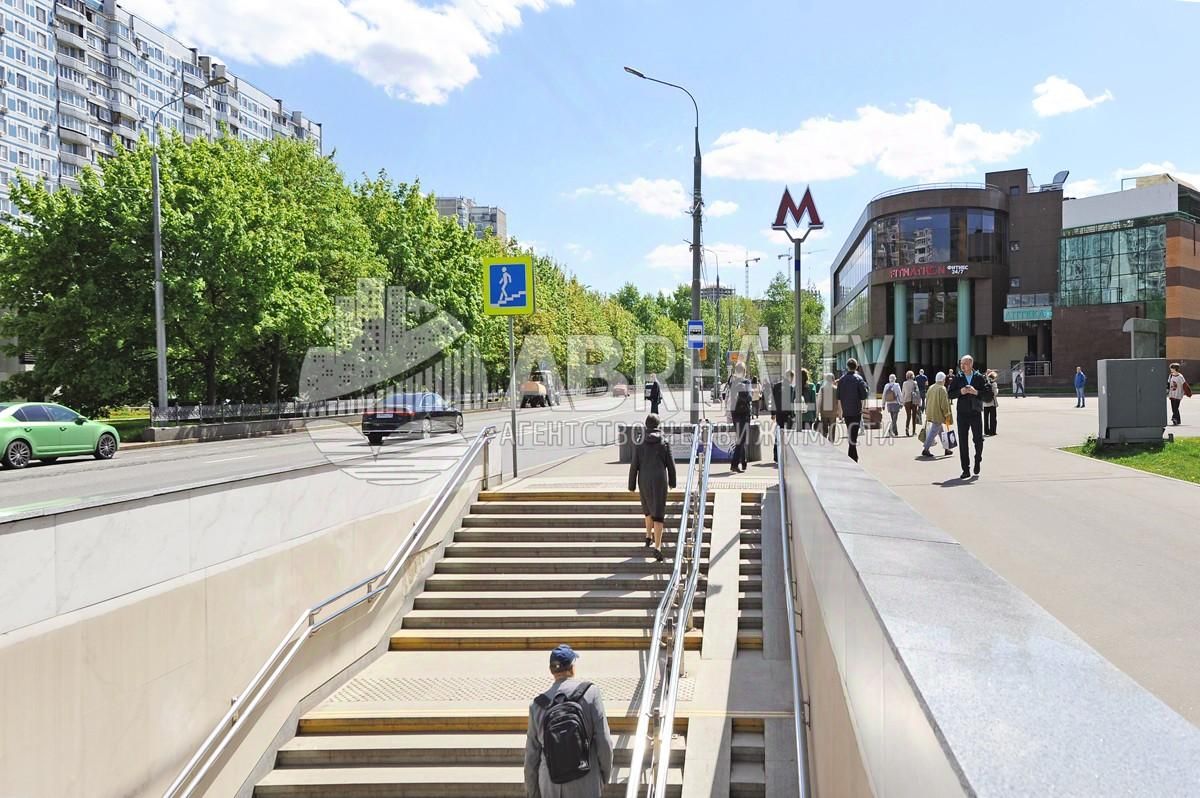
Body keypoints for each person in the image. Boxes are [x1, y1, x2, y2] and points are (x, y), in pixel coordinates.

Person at [524, 644, 613, 798]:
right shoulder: (590, 693)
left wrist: (532, 792)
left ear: (551, 670)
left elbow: (531, 755)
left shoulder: (537, 705)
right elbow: (604, 740)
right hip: (586, 780)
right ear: (572, 667)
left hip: (550, 783)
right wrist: (603, 776)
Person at [627, 414, 676, 562]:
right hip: (659, 479)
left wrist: (631, 485)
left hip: (644, 479)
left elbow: (634, 465)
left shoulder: (639, 443)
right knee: (658, 512)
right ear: (658, 425)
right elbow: (671, 465)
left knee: (647, 508)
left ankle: (648, 536)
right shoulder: (664, 442)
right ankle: (658, 547)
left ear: (646, 426)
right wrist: (672, 482)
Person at [947, 354, 992, 479]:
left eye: (965, 364)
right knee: (963, 442)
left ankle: (978, 459)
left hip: (975, 413)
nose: (962, 366)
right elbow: (949, 394)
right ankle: (965, 469)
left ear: (971, 364)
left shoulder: (979, 377)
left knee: (978, 440)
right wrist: (960, 392)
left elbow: (988, 396)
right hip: (962, 414)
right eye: (961, 364)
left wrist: (975, 392)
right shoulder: (958, 377)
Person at [837, 358, 869, 462]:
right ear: (856, 367)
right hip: (856, 411)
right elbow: (864, 396)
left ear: (847, 367)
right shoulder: (859, 379)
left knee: (851, 432)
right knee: (853, 434)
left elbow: (838, 397)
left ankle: (852, 455)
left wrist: (840, 412)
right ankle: (852, 456)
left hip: (846, 411)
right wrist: (862, 408)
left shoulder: (841, 380)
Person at [920, 371, 954, 458]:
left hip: (931, 412)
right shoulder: (942, 389)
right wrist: (947, 414)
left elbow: (927, 400)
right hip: (938, 414)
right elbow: (944, 403)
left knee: (940, 431)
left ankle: (947, 448)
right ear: (942, 379)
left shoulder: (931, 387)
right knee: (934, 431)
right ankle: (926, 448)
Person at [727, 362, 752, 472]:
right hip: (744, 413)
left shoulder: (733, 382)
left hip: (735, 412)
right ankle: (734, 464)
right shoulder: (746, 382)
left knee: (740, 438)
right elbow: (749, 398)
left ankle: (743, 461)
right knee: (742, 438)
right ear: (744, 371)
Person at [771, 369, 795, 463]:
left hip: (779, 413)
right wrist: (793, 415)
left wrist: (773, 413)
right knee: (788, 434)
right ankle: (786, 455)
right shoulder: (791, 388)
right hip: (787, 414)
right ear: (791, 377)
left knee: (778, 433)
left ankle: (776, 455)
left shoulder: (776, 386)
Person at [817, 372, 838, 442]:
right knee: (832, 429)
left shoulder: (822, 389)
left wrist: (817, 413)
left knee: (824, 429)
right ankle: (831, 442)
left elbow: (819, 401)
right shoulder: (836, 389)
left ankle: (825, 442)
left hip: (824, 413)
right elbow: (839, 402)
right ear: (833, 379)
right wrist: (840, 413)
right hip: (833, 413)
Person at [901, 370, 919, 436]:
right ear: (912, 376)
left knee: (908, 416)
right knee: (914, 417)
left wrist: (902, 402)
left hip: (907, 401)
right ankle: (914, 432)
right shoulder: (915, 383)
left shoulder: (904, 383)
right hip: (914, 401)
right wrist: (919, 402)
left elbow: (903, 393)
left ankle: (907, 428)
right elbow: (917, 392)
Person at [983, 370, 999, 436]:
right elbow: (995, 393)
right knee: (993, 418)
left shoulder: (984, 383)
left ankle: (986, 431)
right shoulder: (994, 383)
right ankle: (992, 431)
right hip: (992, 403)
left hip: (985, 403)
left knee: (986, 418)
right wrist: (997, 389)